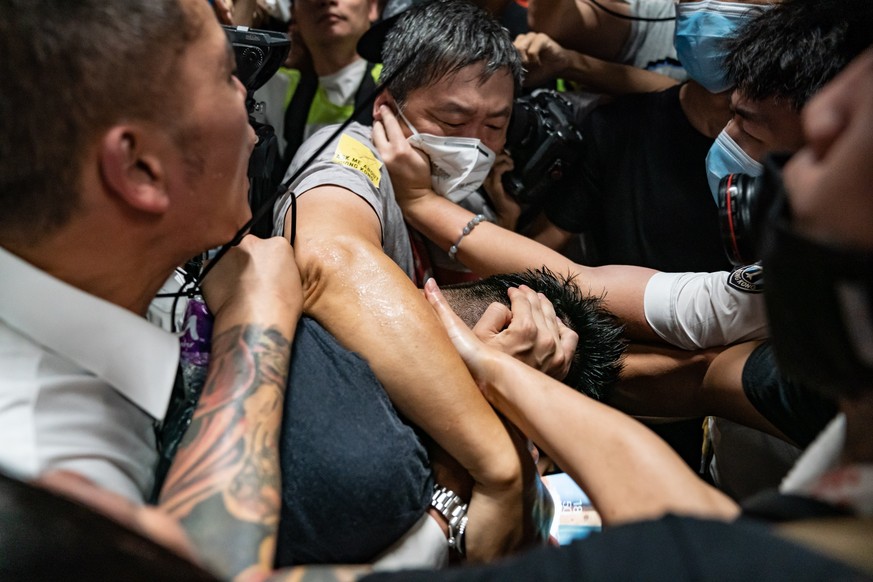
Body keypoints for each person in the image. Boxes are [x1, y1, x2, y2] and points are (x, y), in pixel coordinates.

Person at [0, 1, 304, 578]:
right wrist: (255, 321)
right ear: (140, 170)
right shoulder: (46, 479)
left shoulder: (90, 255)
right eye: (224, 73)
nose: (247, 95)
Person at [271, 0, 548, 563]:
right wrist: (495, 458)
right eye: (451, 121)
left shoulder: (469, 197)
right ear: (387, 110)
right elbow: (330, 259)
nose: (474, 141)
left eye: (494, 125)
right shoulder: (348, 152)